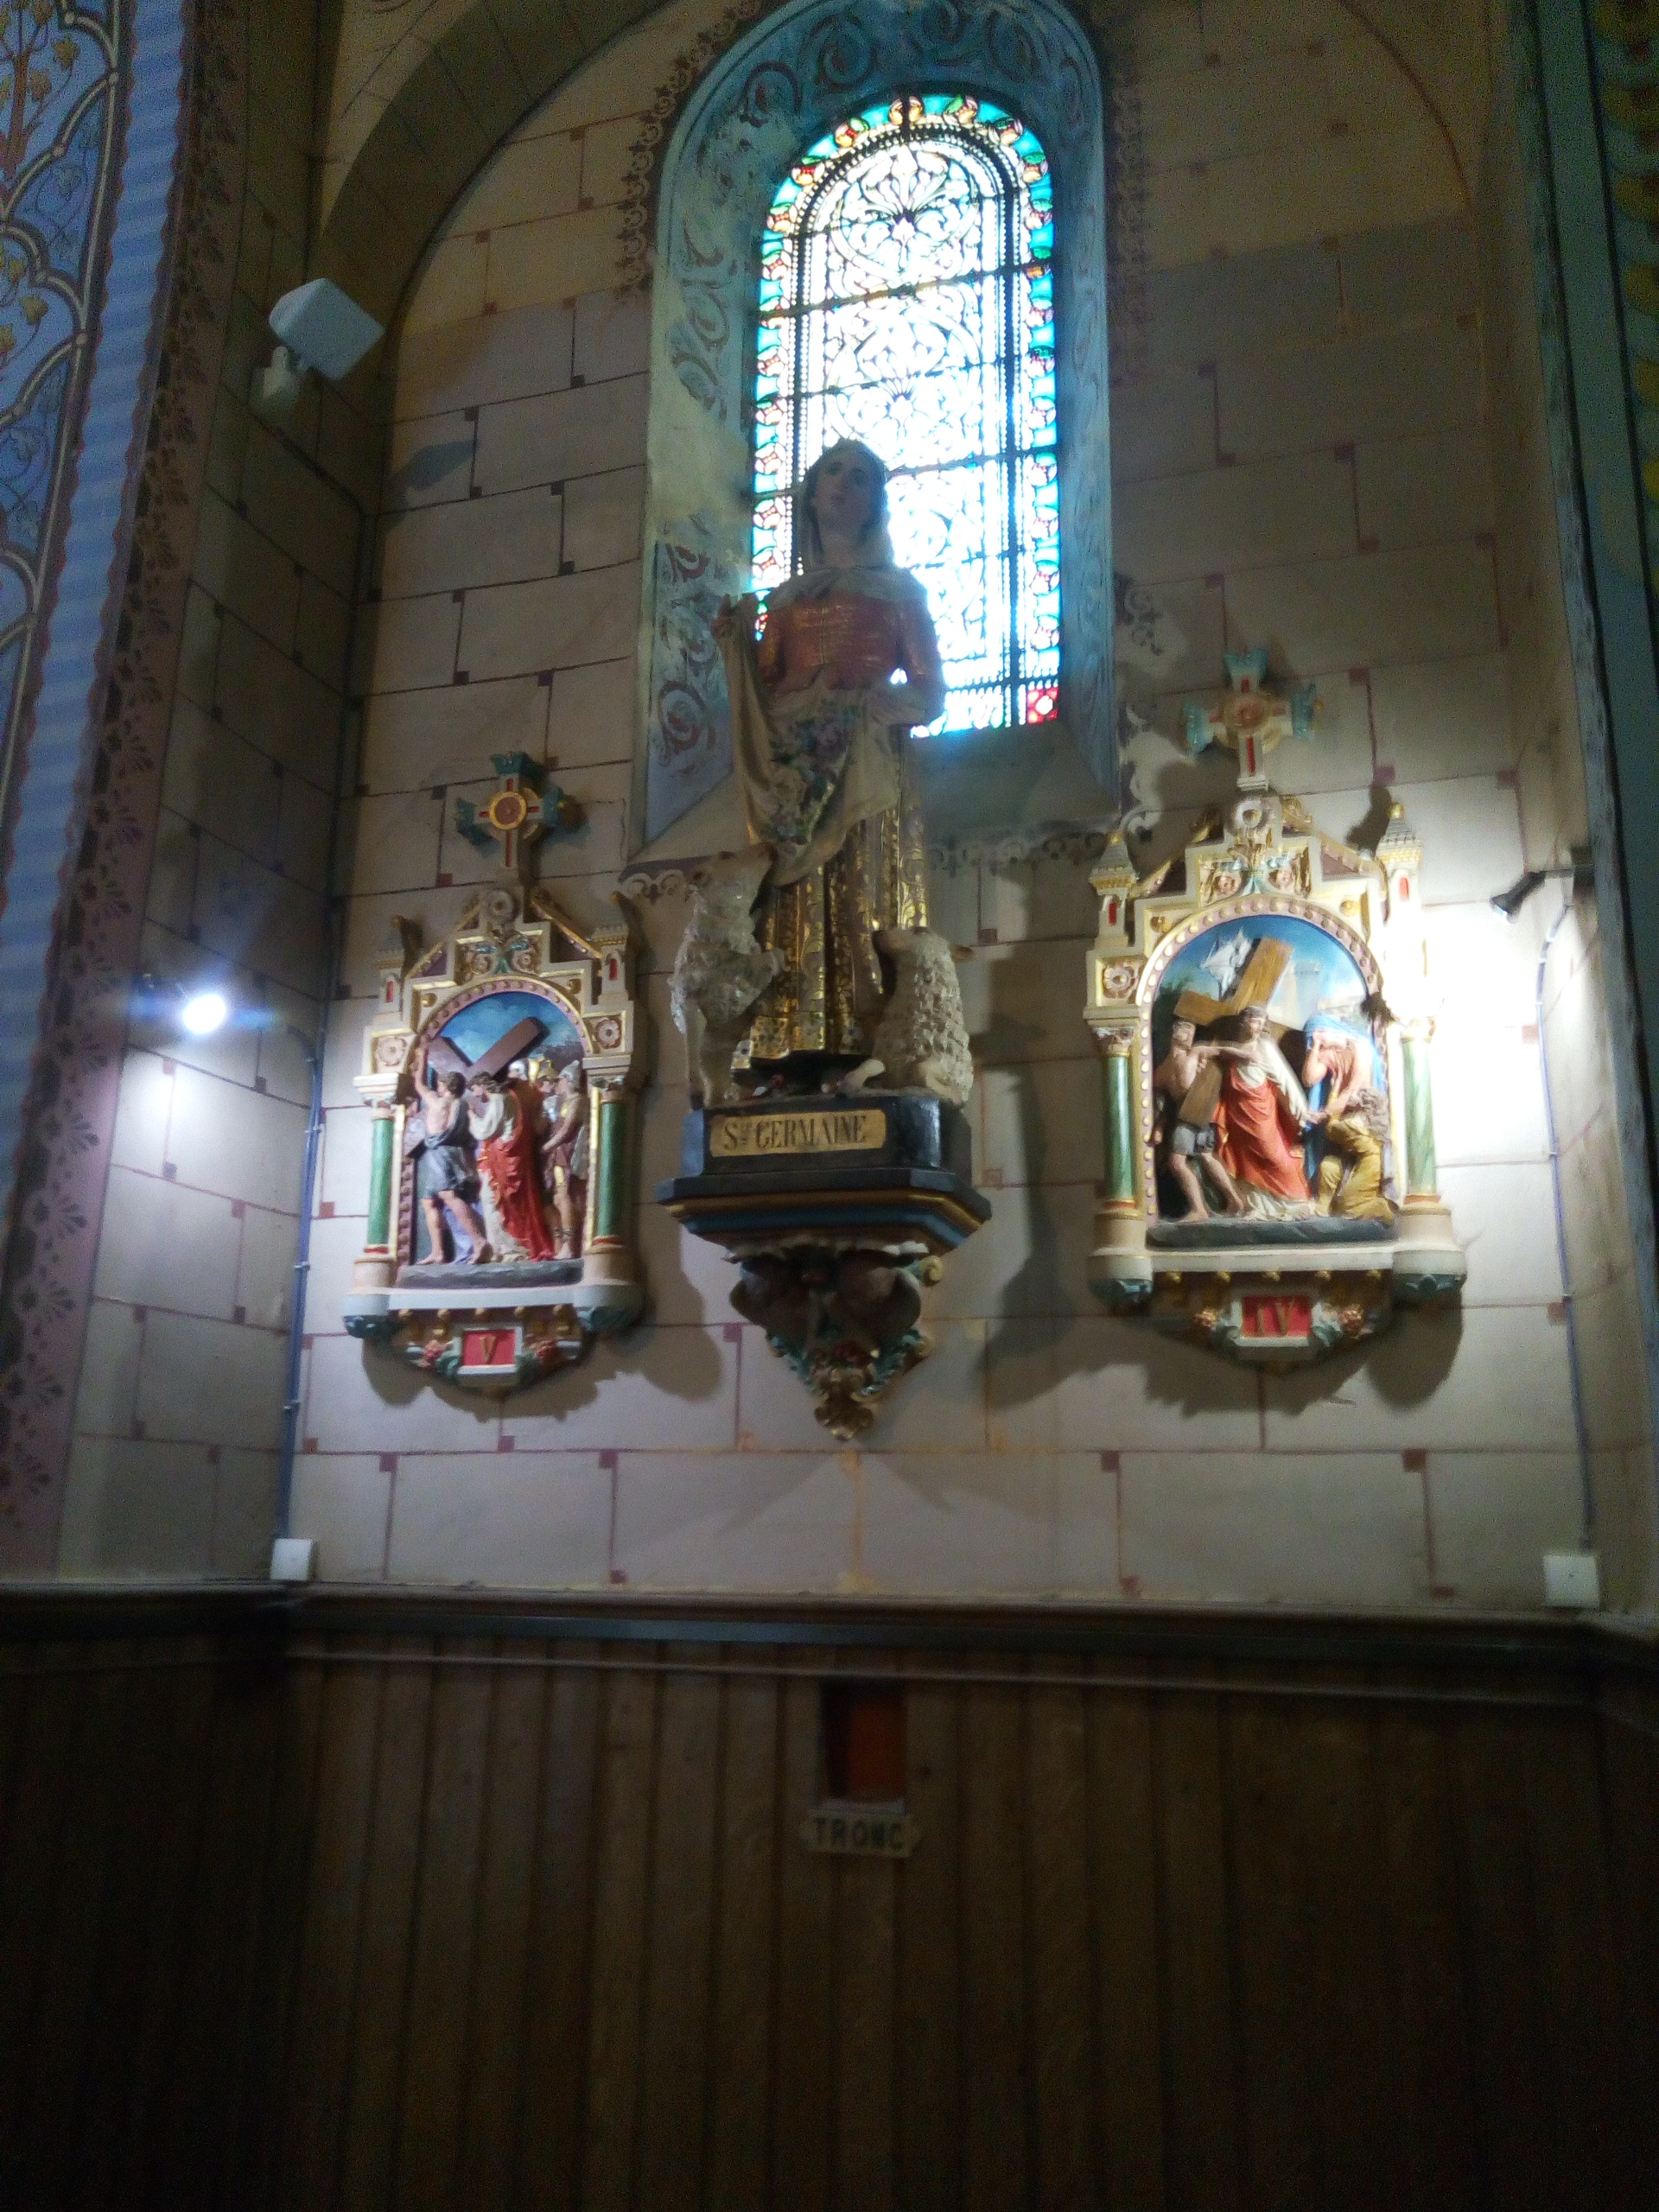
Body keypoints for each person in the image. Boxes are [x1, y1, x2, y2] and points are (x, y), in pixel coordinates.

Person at [714, 439, 945, 1075]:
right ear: (812, 497)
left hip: (864, 760)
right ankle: (789, 1036)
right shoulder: (787, 601)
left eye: (861, 477)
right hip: (794, 767)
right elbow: (762, 696)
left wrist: (874, 706)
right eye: (833, 473)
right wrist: (735, 644)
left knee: (861, 887)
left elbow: (930, 693)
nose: (845, 483)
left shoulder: (899, 593)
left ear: (876, 503)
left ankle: (870, 1037)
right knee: (790, 889)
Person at [1213, 1005, 1314, 1211]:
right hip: (1238, 1116)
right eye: (1254, 1021)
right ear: (1244, 1022)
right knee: (1244, 1160)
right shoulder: (1235, 1048)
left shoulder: (1265, 1048)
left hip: (1260, 1115)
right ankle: (1255, 1207)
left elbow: (1285, 1081)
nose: (1259, 1026)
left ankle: (1294, 1202)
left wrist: (1301, 1112)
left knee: (1273, 1157)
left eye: (1262, 1022)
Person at [1153, 1018, 1245, 1219]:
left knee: (1178, 1163)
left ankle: (1204, 1208)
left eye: (1192, 1033)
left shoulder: (1195, 1052)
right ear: (1173, 1034)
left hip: (1196, 1112)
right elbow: (1163, 1104)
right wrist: (1158, 1127)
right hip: (1185, 1114)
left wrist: (1246, 1053)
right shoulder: (1161, 1071)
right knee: (1205, 1156)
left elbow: (1221, 1049)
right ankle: (1230, 1202)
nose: (1189, 1036)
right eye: (1184, 1031)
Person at [467, 1071, 557, 1262]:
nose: (475, 1095)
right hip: (507, 1157)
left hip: (504, 1160)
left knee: (494, 1200)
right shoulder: (509, 1096)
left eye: (474, 1089)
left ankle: (509, 1249)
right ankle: (501, 1248)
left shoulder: (500, 1098)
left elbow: (487, 1130)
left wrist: (473, 1118)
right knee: (494, 1199)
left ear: (483, 1086)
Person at [410, 1059, 489, 1264]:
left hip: (441, 1153)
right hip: (455, 1153)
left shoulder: (437, 1101)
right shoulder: (465, 1105)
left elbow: (419, 1084)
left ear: (444, 1086)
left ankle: (479, 1241)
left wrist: (422, 1057)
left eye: (440, 1084)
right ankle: (438, 1252)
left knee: (449, 1195)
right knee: (429, 1201)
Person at [1314, 1089, 1395, 1222]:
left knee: (1349, 1206)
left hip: (1369, 1168)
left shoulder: (1354, 1126)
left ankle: (1379, 1209)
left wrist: (1334, 1096)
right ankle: (1324, 1206)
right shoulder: (1369, 1126)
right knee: (1329, 1164)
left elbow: (1331, 1129)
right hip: (1356, 1165)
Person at [538, 1064, 588, 1260]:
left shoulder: (578, 1100)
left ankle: (571, 1245)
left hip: (567, 1154)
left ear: (568, 1080)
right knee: (559, 1198)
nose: (558, 1083)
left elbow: (567, 1130)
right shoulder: (566, 1101)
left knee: (564, 1197)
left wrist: (547, 1146)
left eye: (560, 1079)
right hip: (559, 1154)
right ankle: (562, 1244)